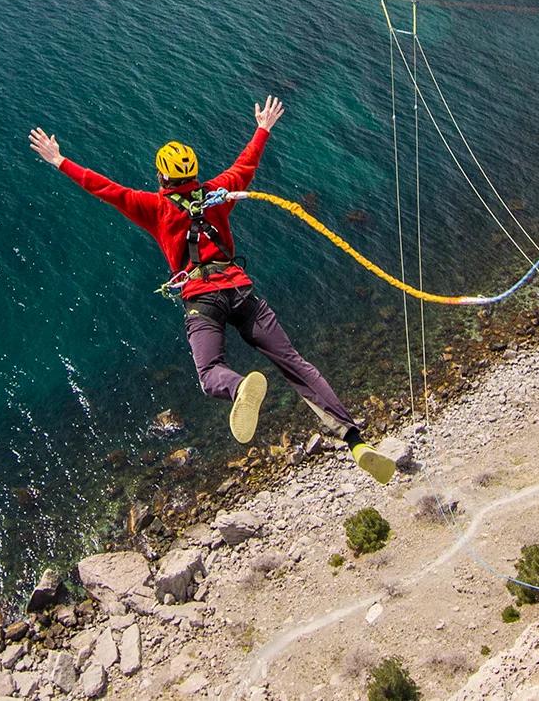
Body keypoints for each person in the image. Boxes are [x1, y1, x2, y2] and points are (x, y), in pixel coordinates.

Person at [27, 96, 394, 484]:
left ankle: (239, 387)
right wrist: (263, 128)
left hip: (203, 300)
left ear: (162, 178)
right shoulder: (218, 193)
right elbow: (245, 165)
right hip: (241, 291)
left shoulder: (153, 206)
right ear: (195, 174)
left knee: (209, 373)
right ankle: (355, 440)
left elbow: (104, 188)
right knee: (295, 364)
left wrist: (58, 160)